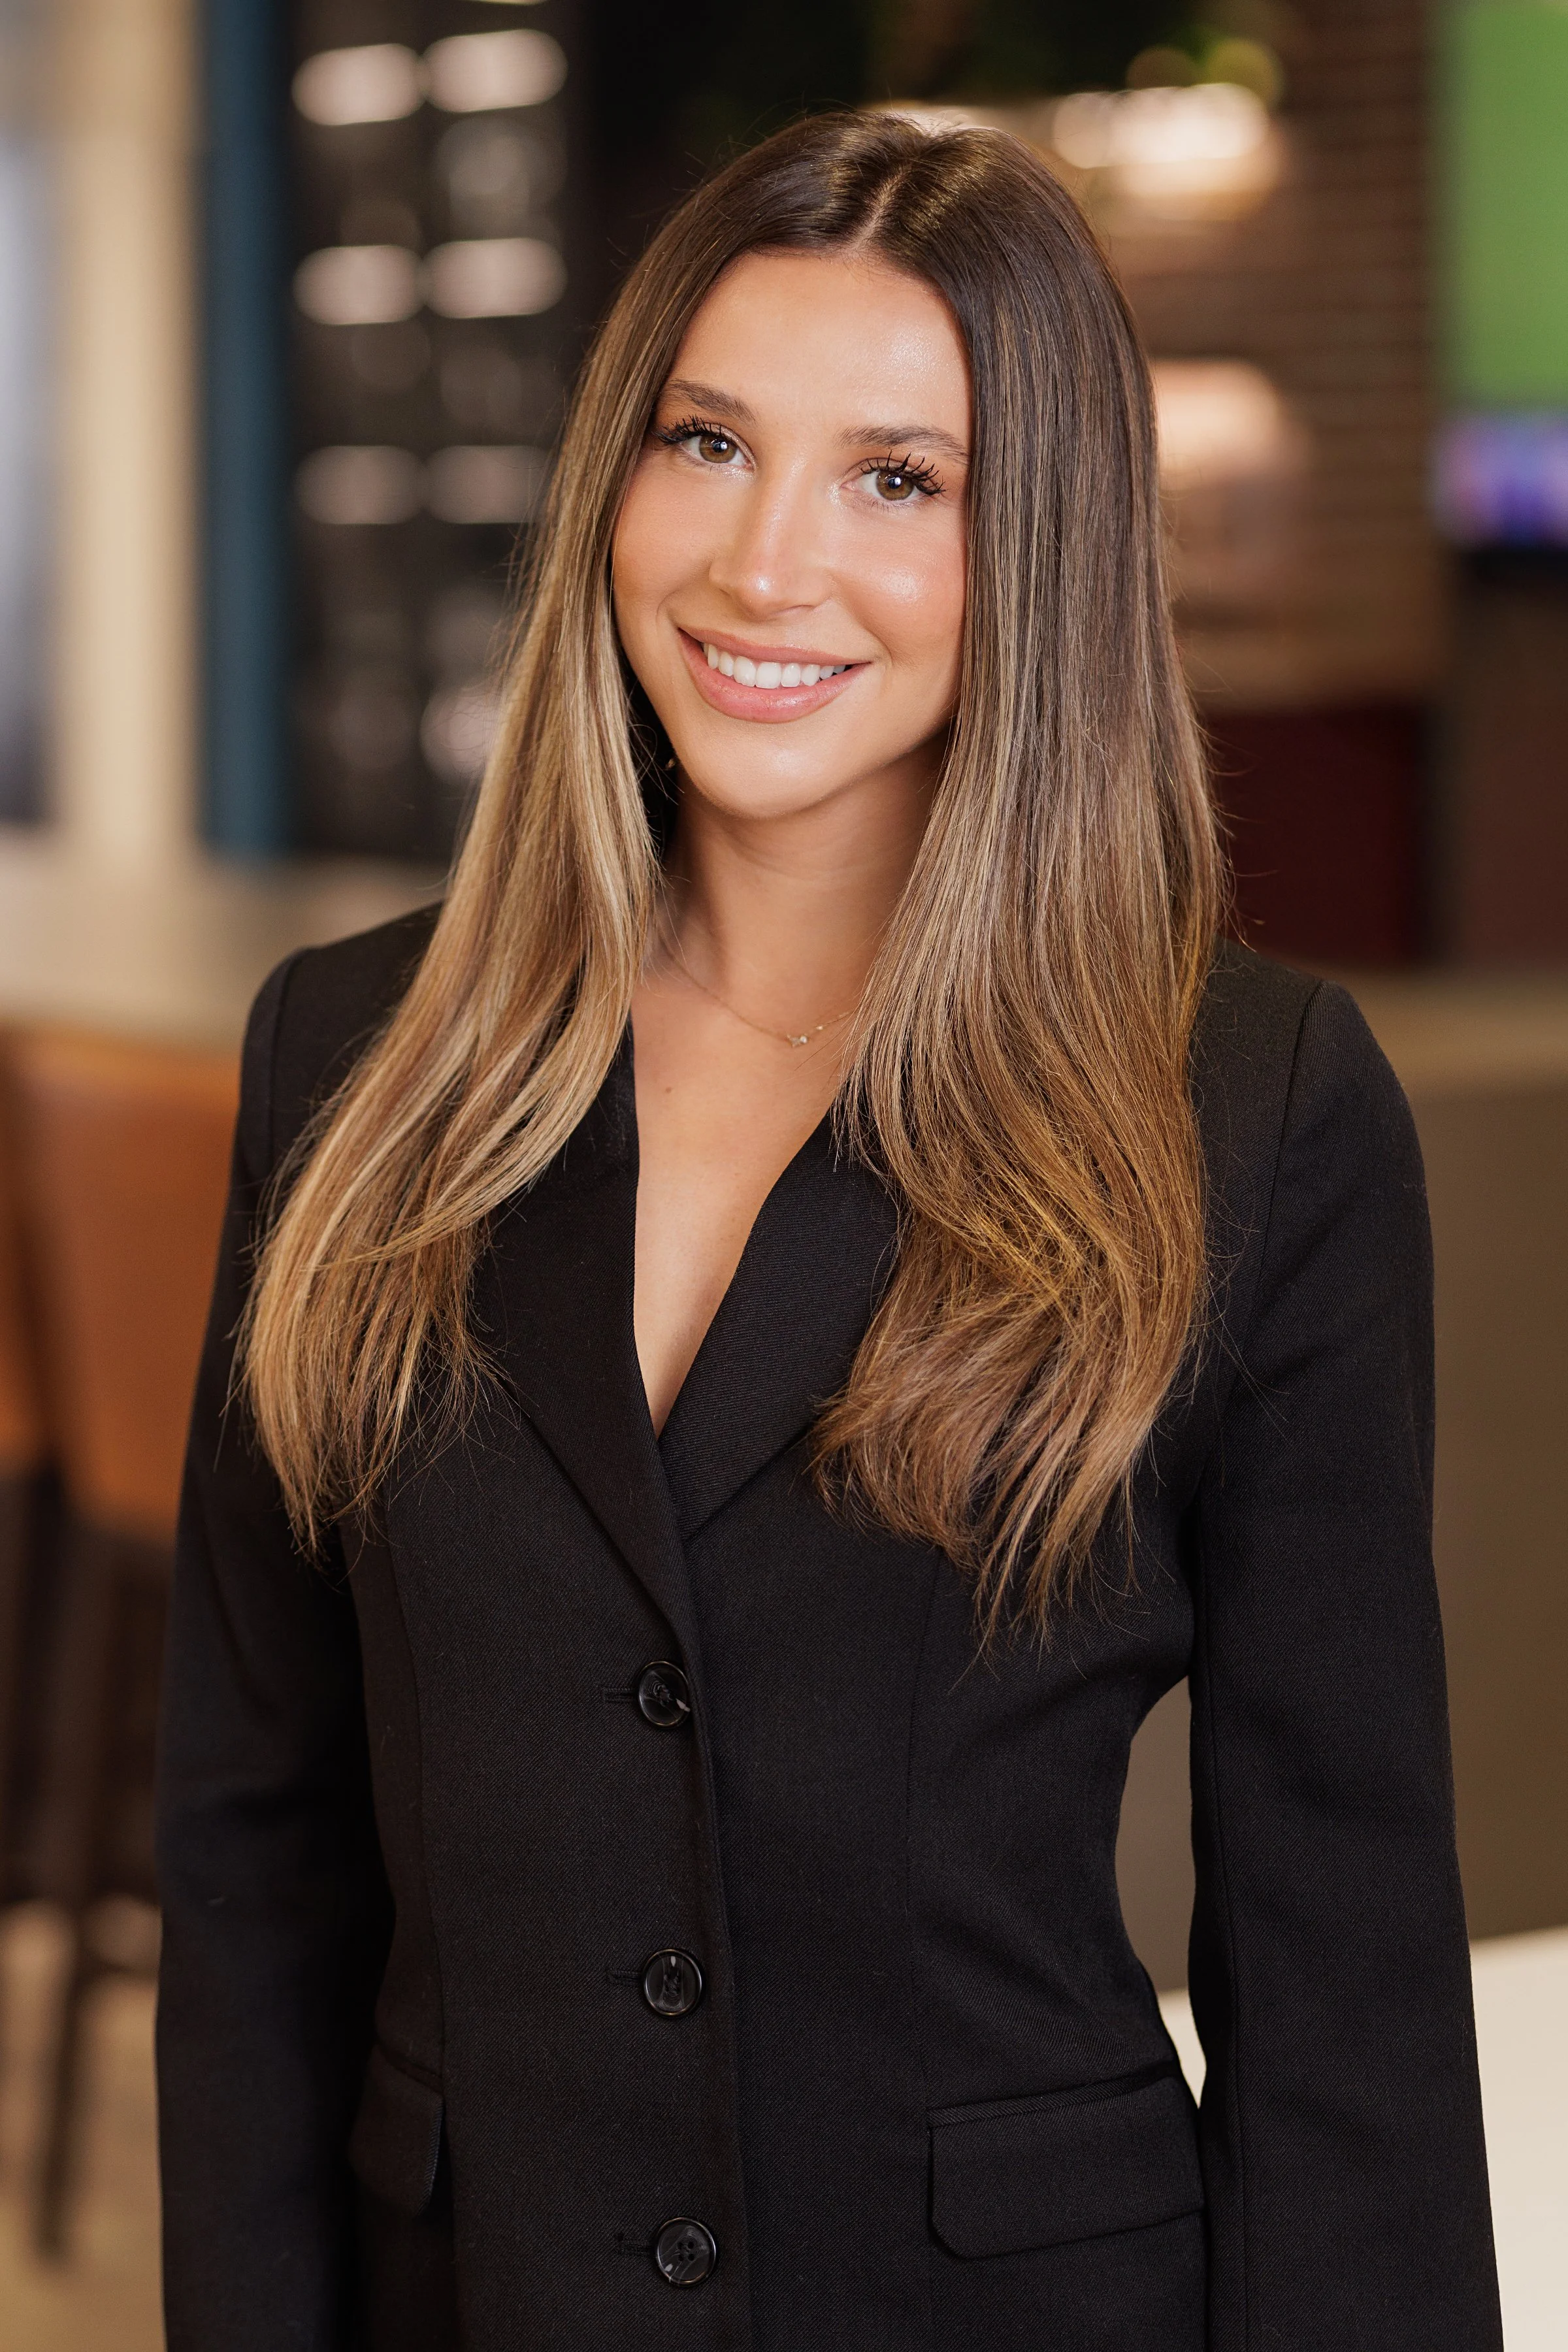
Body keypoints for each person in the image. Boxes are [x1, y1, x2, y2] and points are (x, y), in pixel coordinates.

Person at [155, 111, 1501, 2352]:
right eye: (709, 441)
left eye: (903, 478)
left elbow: (1342, 1950)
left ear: (1043, 548)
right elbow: (251, 1857)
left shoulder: (1246, 1110)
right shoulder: (357, 1057)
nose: (767, 563)